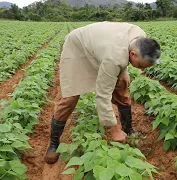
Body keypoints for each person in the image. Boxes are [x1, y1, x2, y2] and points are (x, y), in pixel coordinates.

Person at [45, 22, 161, 164]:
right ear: (133, 54)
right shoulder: (114, 58)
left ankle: (128, 130)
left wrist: (124, 71)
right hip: (78, 47)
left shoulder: (139, 35)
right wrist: (114, 129)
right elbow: (102, 95)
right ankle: (54, 143)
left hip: (102, 49)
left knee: (122, 85)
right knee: (71, 97)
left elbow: (122, 48)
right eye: (141, 66)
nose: (141, 70)